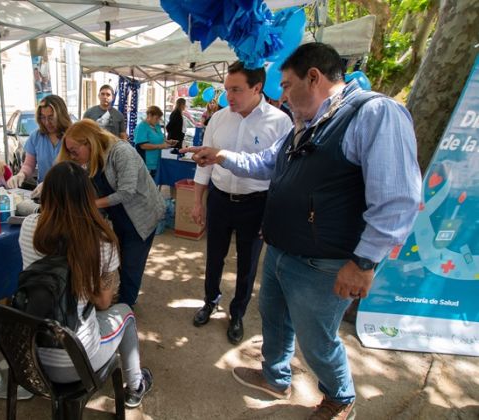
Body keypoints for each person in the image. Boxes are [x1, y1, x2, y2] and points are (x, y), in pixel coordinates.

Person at [183, 43, 422, 419]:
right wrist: (222, 155)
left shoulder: (374, 113)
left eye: (287, 84)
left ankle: (340, 398)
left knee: (317, 339)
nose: (282, 95)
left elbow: (397, 200)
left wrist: (363, 263)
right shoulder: (306, 124)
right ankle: (275, 377)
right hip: (282, 249)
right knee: (275, 318)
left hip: (324, 261)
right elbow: (265, 163)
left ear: (314, 77)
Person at [18, 160, 153, 408]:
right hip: (75, 362)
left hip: (29, 355)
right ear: (88, 196)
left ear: (46, 194)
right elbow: (103, 303)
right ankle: (135, 385)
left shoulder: (28, 228)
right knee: (125, 312)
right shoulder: (102, 240)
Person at [191, 62, 293, 345]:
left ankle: (237, 314)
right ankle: (210, 301)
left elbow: (281, 175)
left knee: (247, 265)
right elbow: (203, 165)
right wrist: (199, 202)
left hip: (257, 204)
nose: (229, 96)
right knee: (214, 257)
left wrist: (271, 215)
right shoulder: (219, 119)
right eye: (227, 89)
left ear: (257, 88)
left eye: (236, 90)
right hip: (221, 200)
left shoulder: (281, 122)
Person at [59, 120, 165, 306]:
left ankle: (126, 307)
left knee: (132, 265)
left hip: (141, 217)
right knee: (121, 259)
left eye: (74, 151)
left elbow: (127, 192)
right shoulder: (92, 157)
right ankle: (123, 298)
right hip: (120, 216)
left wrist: (89, 205)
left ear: (89, 142)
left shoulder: (121, 152)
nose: (73, 156)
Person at [9, 95, 73, 188]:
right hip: (43, 192)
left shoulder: (72, 135)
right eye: (43, 117)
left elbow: (76, 169)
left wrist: (51, 184)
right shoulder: (36, 137)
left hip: (68, 190)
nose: (47, 122)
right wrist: (21, 174)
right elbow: (29, 165)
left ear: (61, 116)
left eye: (51, 118)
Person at [133, 106, 176, 178]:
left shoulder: (156, 126)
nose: (158, 120)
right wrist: (161, 146)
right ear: (149, 115)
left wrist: (169, 142)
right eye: (156, 118)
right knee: (146, 185)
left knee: (154, 185)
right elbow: (143, 145)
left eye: (159, 118)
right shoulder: (142, 127)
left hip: (157, 161)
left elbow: (158, 139)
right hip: (146, 162)